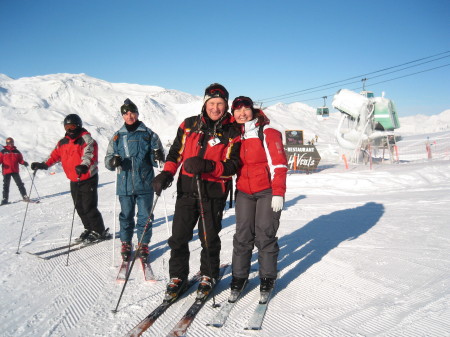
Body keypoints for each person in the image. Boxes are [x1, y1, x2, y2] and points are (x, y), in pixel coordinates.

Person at [152, 83, 241, 299]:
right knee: (179, 237)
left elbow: (233, 165)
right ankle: (178, 276)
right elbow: (175, 153)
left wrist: (209, 166)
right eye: (212, 103)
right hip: (186, 190)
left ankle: (209, 274)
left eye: (220, 103)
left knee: (208, 237)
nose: (215, 108)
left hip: (213, 192)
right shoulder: (189, 125)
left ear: (226, 105)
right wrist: (167, 173)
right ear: (205, 103)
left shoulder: (233, 130)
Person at [230, 96, 288, 294]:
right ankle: (239, 277)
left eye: (246, 109)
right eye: (238, 110)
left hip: (267, 191)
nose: (242, 113)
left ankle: (267, 277)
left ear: (253, 111)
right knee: (242, 236)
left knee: (265, 235)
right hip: (244, 192)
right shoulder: (234, 134)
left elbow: (279, 164)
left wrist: (278, 193)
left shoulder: (268, 132)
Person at [31, 114, 109, 243]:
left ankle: (99, 231)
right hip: (74, 179)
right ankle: (89, 228)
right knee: (79, 207)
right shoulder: (63, 142)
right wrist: (43, 164)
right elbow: (54, 156)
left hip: (88, 176)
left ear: (78, 126)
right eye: (67, 127)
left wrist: (84, 165)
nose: (70, 129)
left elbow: (89, 154)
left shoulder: (86, 139)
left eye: (72, 126)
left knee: (89, 206)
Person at [105, 98, 165, 262]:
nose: (129, 116)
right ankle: (126, 243)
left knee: (145, 216)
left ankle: (143, 244)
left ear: (137, 113)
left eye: (132, 112)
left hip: (145, 182)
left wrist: (158, 156)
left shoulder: (149, 135)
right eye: (126, 113)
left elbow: (158, 160)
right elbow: (108, 160)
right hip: (124, 184)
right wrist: (113, 162)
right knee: (126, 216)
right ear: (122, 116)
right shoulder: (117, 137)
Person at [1, 137, 29, 205]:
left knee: (20, 184)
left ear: (13, 143)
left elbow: (20, 160)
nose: (10, 144)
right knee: (6, 186)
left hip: (14, 170)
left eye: (11, 142)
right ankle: (5, 199)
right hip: (6, 171)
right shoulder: (3, 152)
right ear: (7, 143)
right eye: (9, 143)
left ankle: (24, 196)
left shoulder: (17, 152)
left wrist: (23, 162)